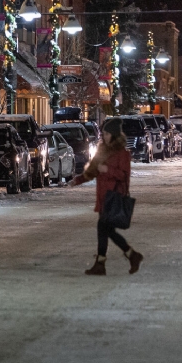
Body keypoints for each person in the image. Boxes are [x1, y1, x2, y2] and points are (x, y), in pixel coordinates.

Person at [70, 118, 143, 276]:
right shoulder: (102, 150)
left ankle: (103, 263)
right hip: (103, 197)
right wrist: (78, 180)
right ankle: (130, 255)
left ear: (115, 134)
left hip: (114, 197)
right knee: (106, 230)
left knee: (103, 229)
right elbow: (92, 171)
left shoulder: (122, 153)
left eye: (107, 133)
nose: (104, 136)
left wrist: (107, 169)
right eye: (103, 133)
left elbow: (123, 175)